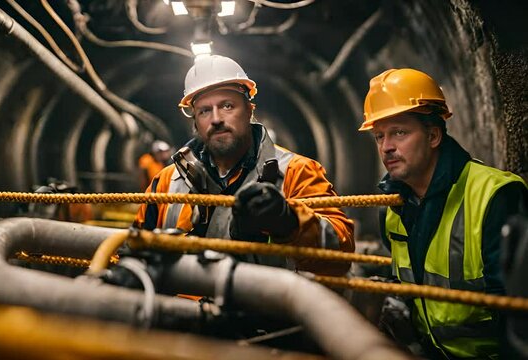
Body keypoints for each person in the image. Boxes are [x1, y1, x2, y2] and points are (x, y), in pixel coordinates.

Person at [359, 68, 528, 358]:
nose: (387, 147)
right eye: (379, 136)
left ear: (434, 135)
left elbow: (516, 319)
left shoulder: (495, 196)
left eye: (399, 132)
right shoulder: (393, 208)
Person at [134, 55, 354, 275]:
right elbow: (132, 248)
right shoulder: (167, 181)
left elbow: (341, 256)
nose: (216, 118)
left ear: (250, 110)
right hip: (178, 308)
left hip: (261, 306)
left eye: (227, 106)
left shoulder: (295, 171)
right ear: (195, 122)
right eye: (204, 111)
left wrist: (289, 221)